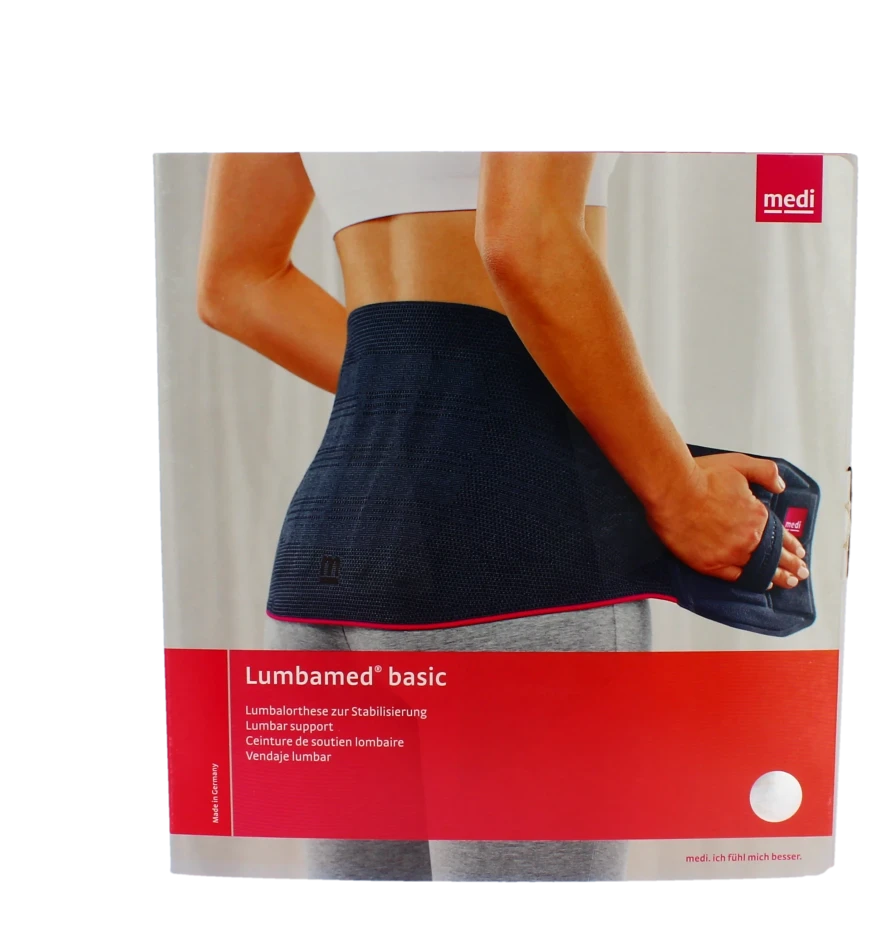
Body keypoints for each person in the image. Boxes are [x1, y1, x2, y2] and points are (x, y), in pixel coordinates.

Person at [197, 148, 809, 887]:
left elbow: (237, 283)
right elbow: (526, 236)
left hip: (327, 554)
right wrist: (678, 492)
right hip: (514, 554)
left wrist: (440, 405)